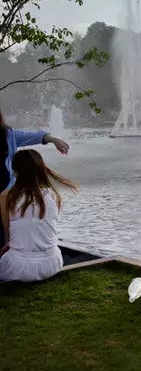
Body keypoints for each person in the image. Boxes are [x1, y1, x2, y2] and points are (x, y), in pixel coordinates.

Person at [0, 149, 78, 282]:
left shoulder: (7, 196)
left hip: (18, 268)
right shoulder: (54, 195)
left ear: (15, 171)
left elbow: (9, 234)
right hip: (52, 264)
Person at [0, 108, 69, 248]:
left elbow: (35, 136)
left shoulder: (8, 135)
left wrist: (52, 139)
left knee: (8, 231)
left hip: (6, 192)